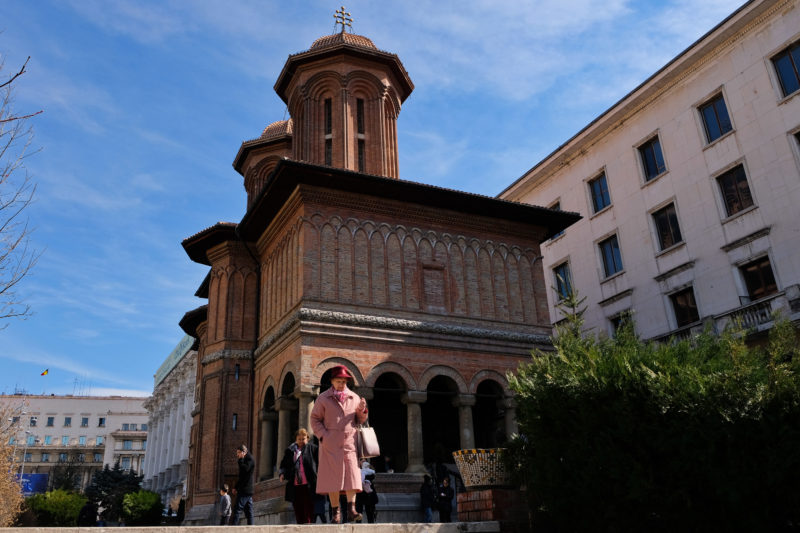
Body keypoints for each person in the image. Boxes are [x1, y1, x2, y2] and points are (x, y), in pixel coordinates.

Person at [310, 364, 369, 524]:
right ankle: (335, 513)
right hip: (330, 444)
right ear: (332, 381)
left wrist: (362, 411)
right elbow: (314, 419)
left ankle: (351, 510)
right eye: (338, 381)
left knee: (352, 476)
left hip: (350, 442)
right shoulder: (323, 398)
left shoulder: (354, 397)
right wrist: (323, 436)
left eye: (343, 381)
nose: (341, 384)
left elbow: (360, 420)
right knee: (332, 479)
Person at [279, 428, 319, 524]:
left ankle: (309, 526)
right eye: (299, 439)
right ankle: (300, 526)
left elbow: (319, 463)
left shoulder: (313, 449)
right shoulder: (290, 451)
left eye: (303, 439)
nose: (301, 441)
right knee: (298, 507)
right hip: (295, 484)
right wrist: (282, 473)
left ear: (307, 439)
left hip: (309, 484)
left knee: (309, 507)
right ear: (296, 439)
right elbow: (284, 464)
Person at [230, 444, 255, 525]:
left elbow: (245, 470)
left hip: (245, 489)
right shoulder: (245, 459)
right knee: (249, 511)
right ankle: (251, 529)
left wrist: (241, 460)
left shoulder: (249, 459)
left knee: (237, 509)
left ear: (244, 452)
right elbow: (242, 477)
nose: (237, 455)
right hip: (246, 489)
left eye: (238, 452)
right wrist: (236, 487)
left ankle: (233, 529)